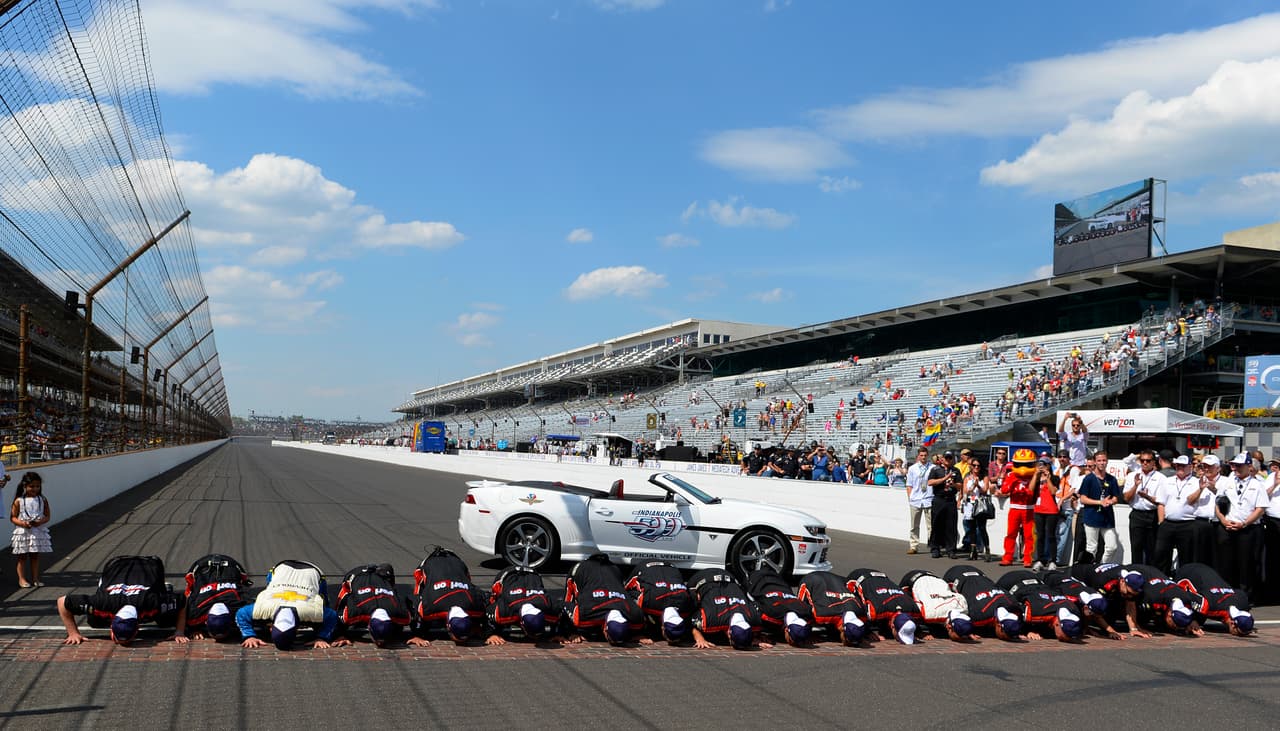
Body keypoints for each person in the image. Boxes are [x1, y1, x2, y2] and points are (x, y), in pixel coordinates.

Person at [56, 555, 186, 645]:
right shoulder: (102, 603)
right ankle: (164, 592)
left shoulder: (152, 603)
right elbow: (62, 602)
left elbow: (182, 600)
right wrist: (72, 633)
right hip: (118, 565)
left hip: (147, 567)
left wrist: (179, 632)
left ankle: (165, 590)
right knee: (94, 621)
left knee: (165, 621)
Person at [238, 559, 349, 650]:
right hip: (281, 568)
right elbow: (241, 614)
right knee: (270, 592)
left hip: (312, 572)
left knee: (324, 605)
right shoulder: (264, 609)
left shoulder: (310, 612)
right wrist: (249, 636)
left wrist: (322, 637)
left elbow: (333, 616)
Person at [410, 546, 491, 646]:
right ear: (448, 627)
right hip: (431, 564)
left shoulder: (476, 604)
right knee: (422, 595)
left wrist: (488, 632)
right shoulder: (431, 606)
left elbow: (490, 602)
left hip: (458, 564)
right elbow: (415, 602)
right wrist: (417, 635)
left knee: (467, 583)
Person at [1216, 453, 1269, 600]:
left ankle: (1245, 595)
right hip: (1228, 527)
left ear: (1248, 466)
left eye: (1239, 465)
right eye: (1234, 465)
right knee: (1226, 562)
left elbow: (1260, 508)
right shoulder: (1227, 483)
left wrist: (1244, 523)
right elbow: (1218, 503)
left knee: (1246, 563)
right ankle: (1226, 593)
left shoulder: (1257, 485)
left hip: (1248, 529)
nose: (1236, 469)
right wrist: (1223, 520)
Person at [563, 553, 644, 645]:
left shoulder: (636, 615)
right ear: (605, 629)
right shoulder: (585, 612)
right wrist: (570, 633)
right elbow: (564, 606)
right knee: (569, 600)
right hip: (582, 569)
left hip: (613, 568)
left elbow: (638, 628)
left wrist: (638, 635)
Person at [688, 568, 768, 649]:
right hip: (700, 577)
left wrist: (753, 638)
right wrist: (700, 639)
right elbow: (690, 622)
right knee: (690, 602)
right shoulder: (711, 619)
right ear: (729, 633)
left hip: (728, 574)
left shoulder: (755, 618)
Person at [995, 569, 1084, 642]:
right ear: (1057, 624)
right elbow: (1012, 613)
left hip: (1035, 580)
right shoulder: (1037, 610)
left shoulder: (1074, 609)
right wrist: (1026, 631)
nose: (1068, 639)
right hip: (1010, 581)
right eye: (1065, 636)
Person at [336, 563, 413, 647]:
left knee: (394, 593)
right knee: (344, 602)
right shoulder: (355, 611)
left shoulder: (401, 613)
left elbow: (407, 602)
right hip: (357, 575)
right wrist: (340, 635)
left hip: (379, 575)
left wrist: (417, 635)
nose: (380, 644)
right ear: (369, 626)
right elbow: (340, 610)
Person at [182, 553, 252, 642]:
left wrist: (193, 629)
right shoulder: (193, 615)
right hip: (230, 566)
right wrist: (195, 629)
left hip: (203, 567)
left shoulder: (194, 614)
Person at [625, 560, 697, 645]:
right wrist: (638, 634)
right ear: (662, 628)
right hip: (647, 566)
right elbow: (627, 594)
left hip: (671, 567)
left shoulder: (687, 605)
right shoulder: (648, 602)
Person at [943, 565, 1023, 641]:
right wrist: (967, 631)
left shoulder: (1015, 607)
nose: (1008, 638)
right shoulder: (979, 615)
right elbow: (954, 618)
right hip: (955, 575)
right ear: (999, 626)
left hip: (978, 573)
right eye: (1005, 637)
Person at [1174, 562, 1256, 636]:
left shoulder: (1243, 601)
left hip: (1207, 572)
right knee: (1186, 621)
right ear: (1233, 624)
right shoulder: (1207, 604)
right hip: (1188, 573)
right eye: (1240, 633)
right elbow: (1183, 597)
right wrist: (1190, 620)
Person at [1071, 562, 1150, 638]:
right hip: (1076, 576)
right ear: (1122, 581)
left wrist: (1133, 629)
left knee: (1110, 616)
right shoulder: (1105, 583)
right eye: (1128, 593)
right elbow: (1096, 608)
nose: (1129, 596)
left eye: (1132, 594)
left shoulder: (1131, 581)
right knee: (1091, 609)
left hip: (1099, 579)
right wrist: (1111, 631)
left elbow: (1130, 603)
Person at [1041, 567, 1123, 639]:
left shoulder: (1094, 595)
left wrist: (1112, 632)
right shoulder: (1070, 600)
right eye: (1093, 614)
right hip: (1046, 579)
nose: (1096, 617)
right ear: (1086, 607)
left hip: (1063, 578)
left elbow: (1094, 615)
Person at [488, 565, 562, 644]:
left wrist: (560, 634)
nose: (535, 638)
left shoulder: (550, 606)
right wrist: (492, 634)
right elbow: (487, 610)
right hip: (507, 575)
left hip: (532, 574)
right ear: (522, 623)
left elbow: (565, 610)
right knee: (493, 601)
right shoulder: (504, 610)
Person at [847, 567, 921, 644]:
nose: (898, 638)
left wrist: (919, 632)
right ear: (892, 626)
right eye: (899, 636)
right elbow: (858, 615)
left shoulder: (914, 609)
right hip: (858, 577)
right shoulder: (876, 610)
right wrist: (868, 633)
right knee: (855, 602)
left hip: (881, 577)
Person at [797, 570, 869, 646]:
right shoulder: (823, 615)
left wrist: (866, 633)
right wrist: (807, 634)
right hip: (813, 579)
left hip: (837, 580)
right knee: (800, 609)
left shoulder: (862, 613)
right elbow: (804, 614)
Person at [746, 567, 814, 647]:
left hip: (778, 579)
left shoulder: (807, 612)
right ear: (786, 630)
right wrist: (755, 637)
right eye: (791, 641)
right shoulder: (769, 614)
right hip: (756, 579)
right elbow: (749, 610)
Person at [1154, 455, 1199, 574]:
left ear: (1190, 467)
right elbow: (1161, 503)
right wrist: (1161, 522)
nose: (1180, 468)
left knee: (1186, 557)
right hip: (1167, 523)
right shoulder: (1167, 481)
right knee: (1161, 554)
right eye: (1178, 465)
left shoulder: (1196, 482)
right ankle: (1162, 580)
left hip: (1187, 523)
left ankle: (1184, 581)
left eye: (1183, 466)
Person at [900, 568, 973, 641]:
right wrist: (920, 632)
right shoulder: (930, 614)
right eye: (959, 638)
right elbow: (913, 611)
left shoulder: (963, 607)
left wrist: (967, 632)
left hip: (935, 578)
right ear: (949, 627)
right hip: (913, 579)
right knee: (904, 605)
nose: (963, 639)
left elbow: (962, 622)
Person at [1078, 450, 1123, 562]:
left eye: (1104, 460)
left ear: (1107, 461)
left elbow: (1116, 497)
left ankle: (1103, 566)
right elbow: (1083, 498)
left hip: (1107, 518)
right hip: (1092, 517)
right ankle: (1088, 571)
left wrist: (1111, 501)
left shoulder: (1111, 479)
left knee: (1112, 547)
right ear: (1095, 462)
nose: (1102, 463)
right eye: (1099, 461)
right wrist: (1099, 502)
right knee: (1091, 548)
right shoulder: (1088, 479)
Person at [10, 471, 51, 588]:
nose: (35, 488)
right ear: (25, 486)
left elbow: (47, 515)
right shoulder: (19, 501)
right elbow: (12, 517)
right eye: (31, 486)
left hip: (36, 531)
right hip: (23, 531)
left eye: (37, 486)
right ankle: (21, 579)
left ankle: (35, 578)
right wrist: (22, 523)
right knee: (22, 556)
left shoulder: (42, 499)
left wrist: (39, 522)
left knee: (35, 555)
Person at [1124, 449, 1164, 566]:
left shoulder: (1161, 478)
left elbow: (1161, 500)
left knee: (1151, 549)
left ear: (1153, 462)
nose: (1145, 463)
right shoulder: (1132, 475)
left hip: (1152, 514)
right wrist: (1135, 486)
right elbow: (1126, 498)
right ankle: (1136, 573)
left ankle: (1150, 575)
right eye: (1142, 460)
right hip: (1137, 514)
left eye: (1148, 460)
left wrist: (1147, 496)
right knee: (1136, 547)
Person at [999, 448, 1038, 567]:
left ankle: (1028, 559)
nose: (1023, 467)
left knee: (1029, 536)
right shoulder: (1011, 475)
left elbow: (1031, 493)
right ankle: (1008, 557)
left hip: (1029, 509)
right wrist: (1013, 480)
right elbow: (1004, 490)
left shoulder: (1035, 476)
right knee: (1011, 533)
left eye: (1026, 464)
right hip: (1015, 508)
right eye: (1020, 464)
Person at [1190, 454, 1224, 567]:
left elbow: (1227, 500)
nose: (1206, 469)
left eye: (1210, 466)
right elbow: (1190, 501)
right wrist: (1200, 489)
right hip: (1200, 522)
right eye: (1204, 466)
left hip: (1218, 524)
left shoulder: (1226, 481)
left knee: (1217, 557)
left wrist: (1214, 489)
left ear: (1218, 468)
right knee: (1198, 556)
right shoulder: (1195, 481)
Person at [927, 451, 962, 559]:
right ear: (942, 459)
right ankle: (935, 548)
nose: (948, 460)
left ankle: (951, 549)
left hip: (950, 499)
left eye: (950, 458)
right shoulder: (936, 469)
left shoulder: (956, 470)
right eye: (946, 458)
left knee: (951, 525)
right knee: (936, 524)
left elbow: (960, 485)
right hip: (939, 499)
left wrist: (953, 484)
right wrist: (944, 478)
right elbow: (930, 482)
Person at [1030, 457, 1063, 570]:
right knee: (1040, 536)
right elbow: (1030, 489)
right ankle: (1040, 559)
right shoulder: (1037, 478)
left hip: (1051, 510)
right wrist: (1036, 475)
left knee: (1051, 535)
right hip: (1039, 509)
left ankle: (1052, 560)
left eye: (1044, 464)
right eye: (1040, 464)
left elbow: (1054, 491)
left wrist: (1047, 478)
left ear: (1049, 466)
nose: (1041, 466)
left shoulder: (1055, 478)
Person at [1053, 449, 1082, 565]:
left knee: (1061, 534)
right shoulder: (1057, 470)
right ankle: (1053, 558)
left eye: (1064, 457)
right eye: (1060, 457)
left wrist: (1062, 499)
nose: (1062, 459)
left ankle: (1057, 560)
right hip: (1056, 507)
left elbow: (1074, 489)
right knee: (1055, 534)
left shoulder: (1074, 470)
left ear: (1069, 459)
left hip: (1067, 508)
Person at [960, 459, 993, 562]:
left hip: (980, 504)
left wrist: (978, 485)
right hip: (970, 503)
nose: (976, 468)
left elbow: (985, 490)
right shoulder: (967, 477)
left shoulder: (984, 477)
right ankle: (973, 550)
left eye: (978, 466)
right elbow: (965, 491)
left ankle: (987, 549)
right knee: (971, 528)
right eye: (974, 466)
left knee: (982, 528)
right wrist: (973, 486)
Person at [905, 447, 932, 555]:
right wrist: (910, 497)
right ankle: (913, 546)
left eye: (925, 455)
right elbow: (909, 484)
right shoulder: (912, 468)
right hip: (916, 499)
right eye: (921, 455)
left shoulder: (932, 468)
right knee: (914, 525)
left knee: (931, 525)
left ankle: (932, 545)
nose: (923, 457)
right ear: (918, 456)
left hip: (928, 498)